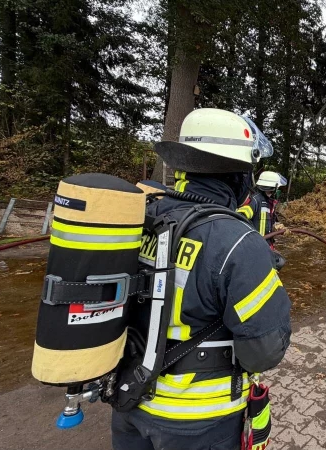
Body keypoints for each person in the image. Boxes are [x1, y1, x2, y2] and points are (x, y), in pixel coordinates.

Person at [112, 108, 292, 450]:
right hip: (200, 418)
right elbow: (263, 353)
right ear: (240, 176)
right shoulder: (236, 241)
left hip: (129, 398)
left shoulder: (143, 218)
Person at [238, 171, 287, 248]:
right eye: (277, 188)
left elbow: (268, 223)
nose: (278, 191)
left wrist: (276, 226)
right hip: (255, 247)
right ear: (273, 188)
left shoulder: (269, 203)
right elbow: (239, 218)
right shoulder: (254, 201)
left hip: (266, 245)